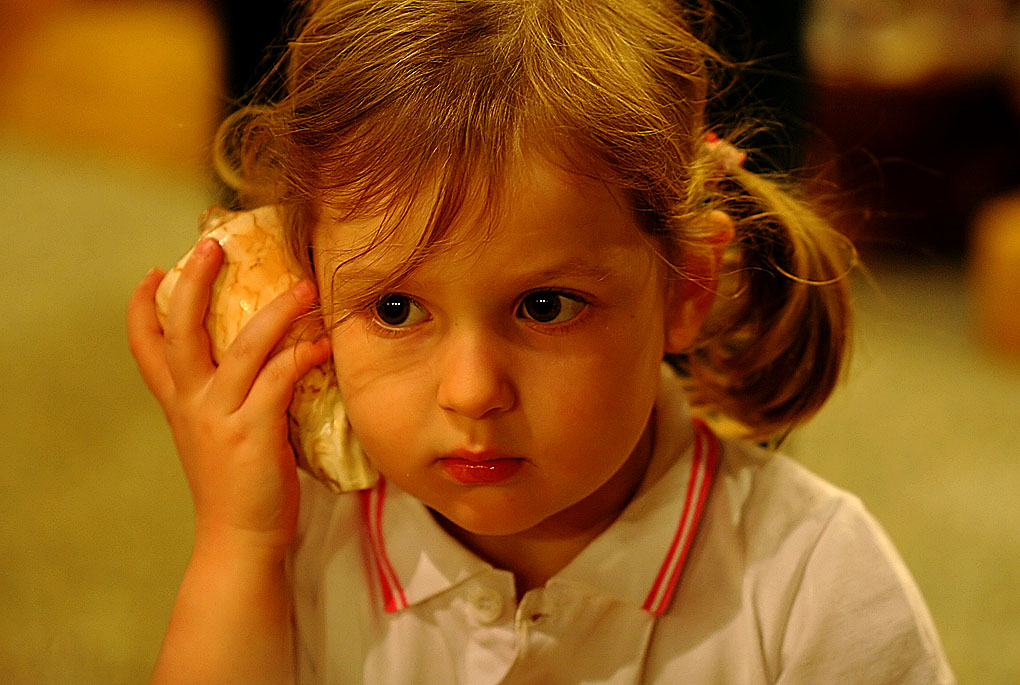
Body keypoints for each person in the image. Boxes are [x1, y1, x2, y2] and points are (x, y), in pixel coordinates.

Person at [127, 0, 954, 682]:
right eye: (395, 309)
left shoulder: (818, 583)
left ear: (687, 287)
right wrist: (235, 543)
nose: (471, 390)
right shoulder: (288, 540)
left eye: (546, 305)